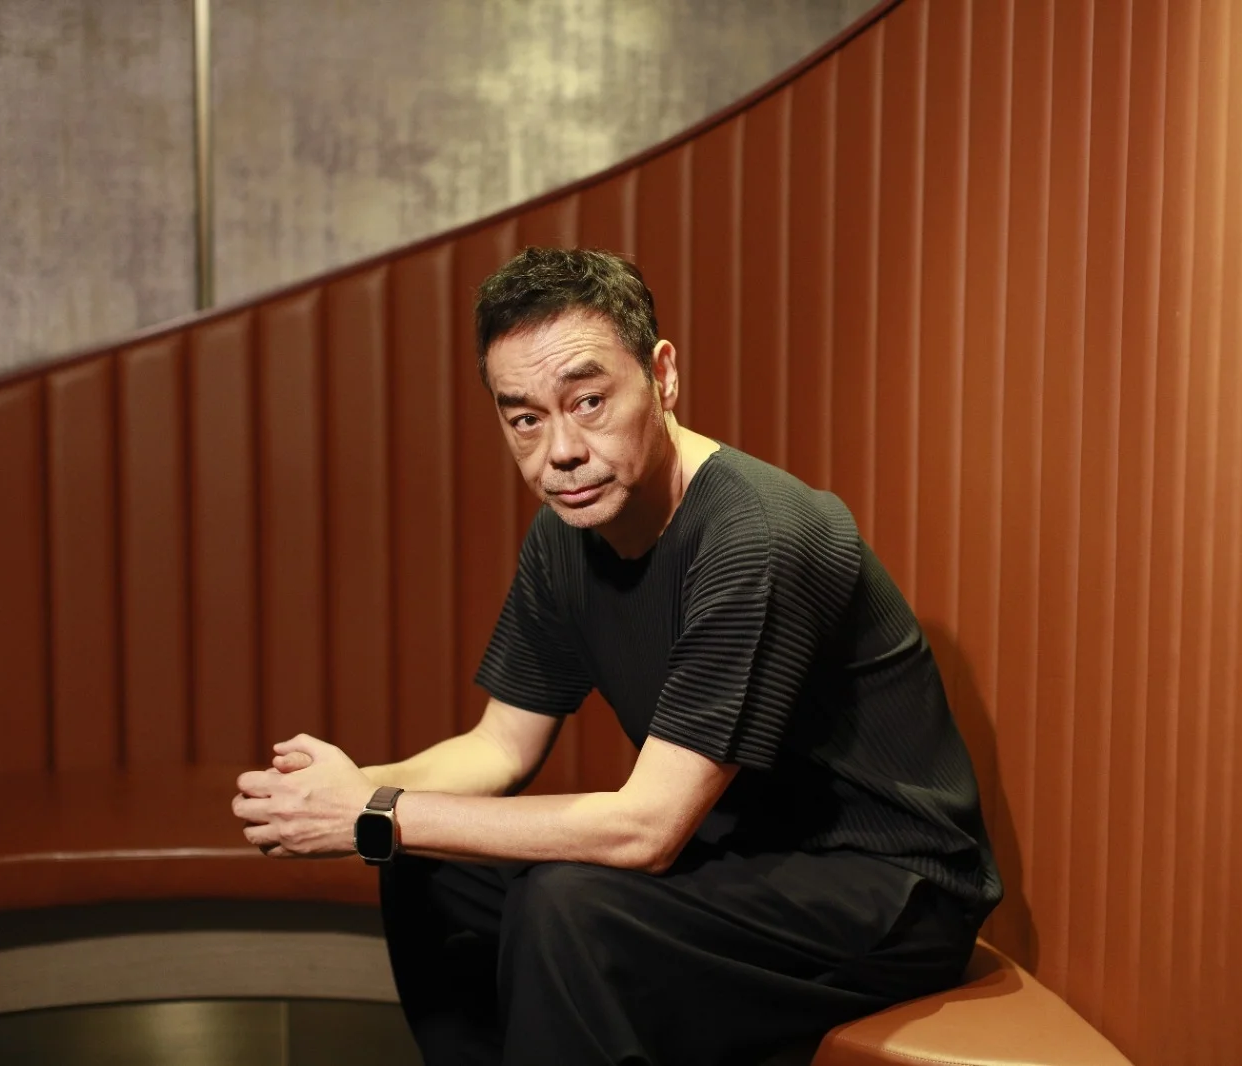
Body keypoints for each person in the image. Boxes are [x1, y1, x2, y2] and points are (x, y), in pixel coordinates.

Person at [232, 247, 1003, 1066]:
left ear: (662, 377)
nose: (561, 450)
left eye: (589, 401)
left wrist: (374, 813)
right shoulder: (567, 534)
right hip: (740, 853)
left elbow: (647, 830)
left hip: (890, 891)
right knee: (432, 867)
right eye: (526, 419)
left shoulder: (757, 536)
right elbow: (499, 747)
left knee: (569, 903)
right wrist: (350, 791)